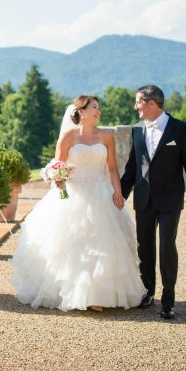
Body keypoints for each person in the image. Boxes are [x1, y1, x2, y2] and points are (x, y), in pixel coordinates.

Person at [11, 95, 146, 311]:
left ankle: (97, 295)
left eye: (99, 107)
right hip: (73, 195)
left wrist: (118, 192)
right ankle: (73, 293)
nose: (98, 111)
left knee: (101, 244)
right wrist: (57, 177)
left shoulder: (107, 136)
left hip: (101, 193)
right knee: (73, 245)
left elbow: (112, 169)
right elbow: (58, 166)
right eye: (94, 107)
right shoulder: (67, 137)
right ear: (81, 111)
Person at [121, 85, 186, 320]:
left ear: (151, 103)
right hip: (143, 198)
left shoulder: (180, 129)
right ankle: (147, 292)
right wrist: (121, 195)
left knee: (167, 247)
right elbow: (132, 168)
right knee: (144, 247)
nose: (135, 106)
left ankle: (168, 301)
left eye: (138, 102)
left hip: (170, 199)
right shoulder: (137, 130)